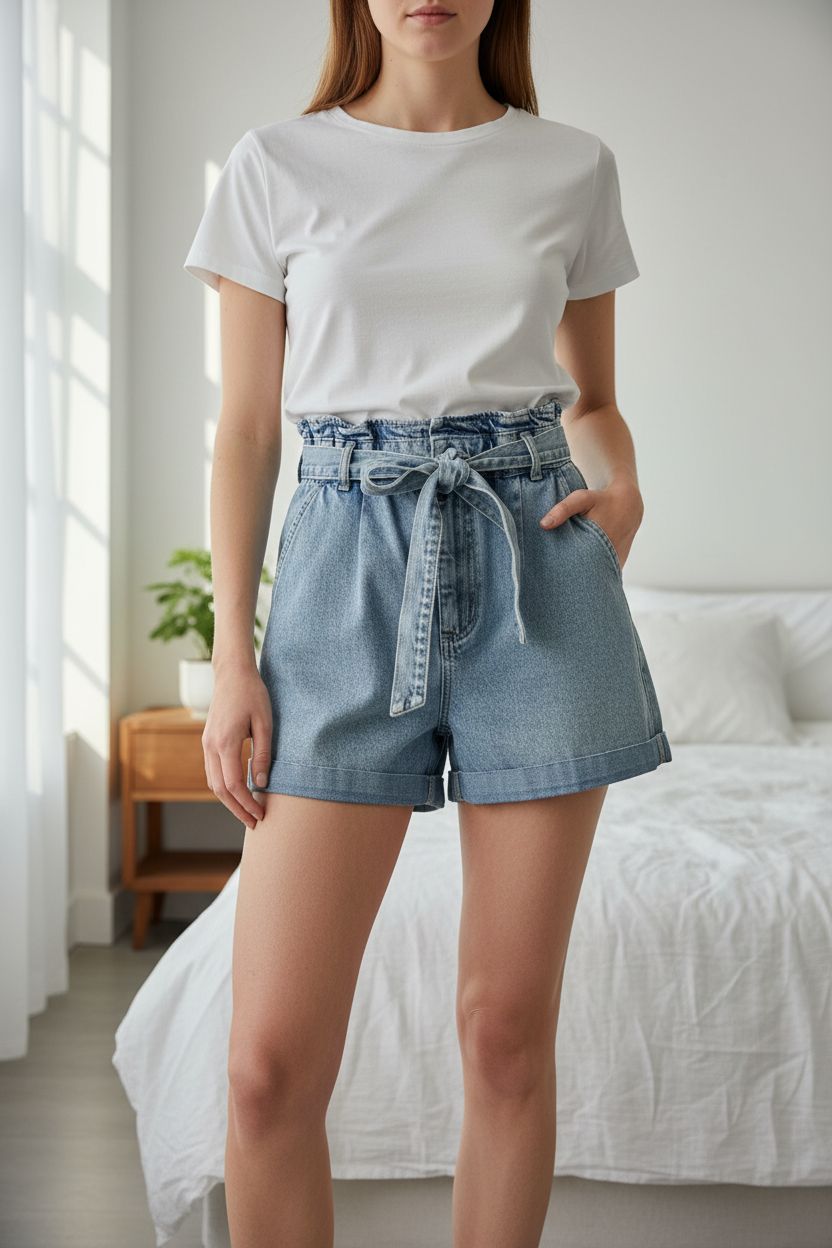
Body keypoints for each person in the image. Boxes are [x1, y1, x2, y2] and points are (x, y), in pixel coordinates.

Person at [183, 2, 672, 1244]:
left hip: (533, 569)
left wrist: (620, 488)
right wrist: (232, 655)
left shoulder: (570, 167)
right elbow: (247, 429)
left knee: (504, 1033)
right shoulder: (274, 164)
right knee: (265, 1069)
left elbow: (594, 400)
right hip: (340, 573)